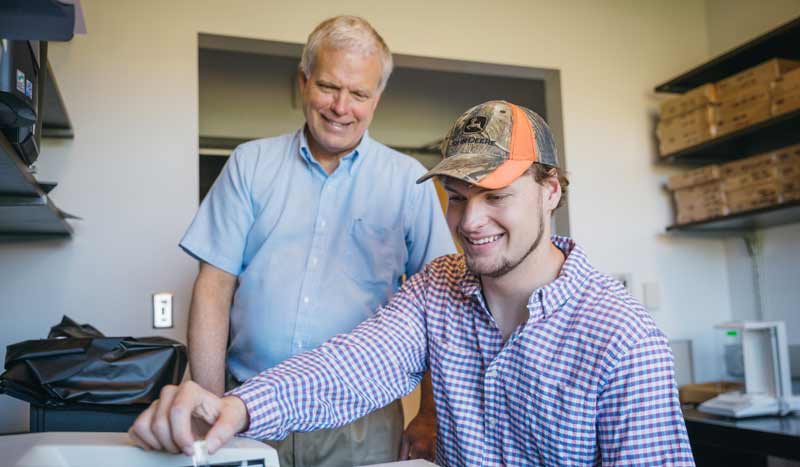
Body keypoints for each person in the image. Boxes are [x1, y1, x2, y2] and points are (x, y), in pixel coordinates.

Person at [131, 100, 696, 466]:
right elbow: (350, 368)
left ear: (551, 191)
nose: (470, 222)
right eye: (457, 197)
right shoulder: (438, 288)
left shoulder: (623, 338)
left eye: (497, 196)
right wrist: (238, 409)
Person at [178, 15, 454, 467]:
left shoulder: (409, 181)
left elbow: (439, 306)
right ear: (304, 81)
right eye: (328, 86)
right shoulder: (250, 165)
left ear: (376, 99)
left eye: (359, 93)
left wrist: (429, 413)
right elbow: (213, 289)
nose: (341, 106)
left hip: (360, 422)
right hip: (251, 409)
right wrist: (211, 406)